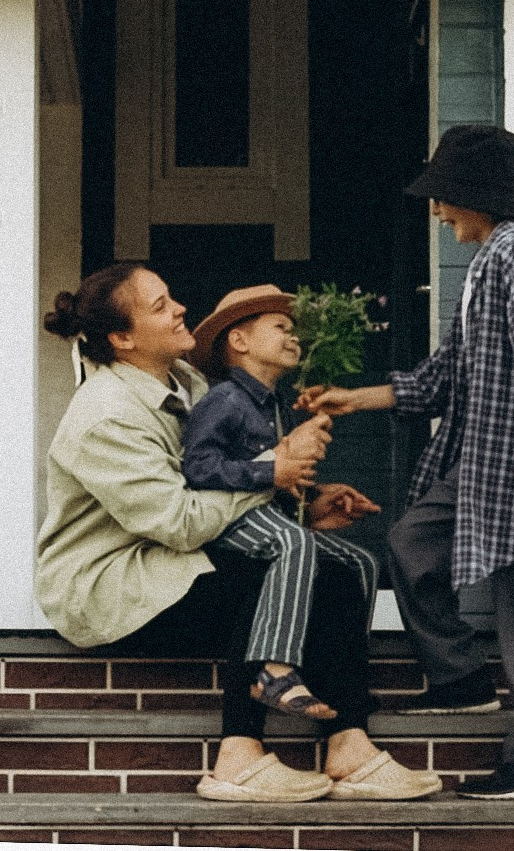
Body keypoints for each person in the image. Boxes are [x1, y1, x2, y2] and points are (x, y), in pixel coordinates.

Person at [39, 263, 441, 803]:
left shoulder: (189, 384)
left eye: (171, 296)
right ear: (122, 339)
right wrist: (274, 469)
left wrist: (300, 504)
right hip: (115, 584)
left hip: (173, 557)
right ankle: (237, 758)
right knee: (261, 573)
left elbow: (225, 484)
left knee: (339, 572)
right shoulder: (104, 415)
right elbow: (180, 522)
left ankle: (349, 745)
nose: (180, 308)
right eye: (160, 306)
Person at [306, 124, 514, 801]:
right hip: (477, 470)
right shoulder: (484, 267)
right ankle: (460, 679)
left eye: (443, 197)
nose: (437, 211)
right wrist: (356, 398)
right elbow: (442, 379)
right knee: (411, 544)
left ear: (476, 195)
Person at [181, 284, 383, 723]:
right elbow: (197, 468)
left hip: (270, 517)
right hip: (229, 519)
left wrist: (315, 495)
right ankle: (274, 672)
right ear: (240, 341)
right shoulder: (224, 400)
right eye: (280, 327)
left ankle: (342, 676)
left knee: (360, 563)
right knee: (295, 543)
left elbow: (285, 477)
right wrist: (271, 472)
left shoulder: (279, 407)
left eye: (294, 330)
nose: (293, 337)